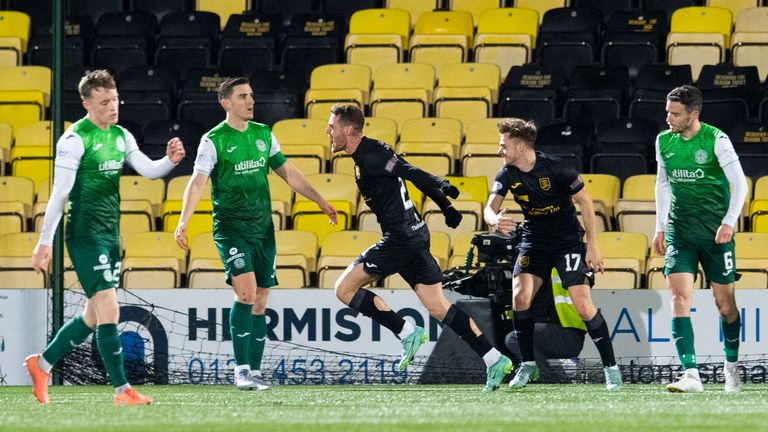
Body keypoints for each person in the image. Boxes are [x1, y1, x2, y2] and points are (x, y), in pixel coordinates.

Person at [26, 69, 186, 405]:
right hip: (85, 235)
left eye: (114, 100)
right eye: (103, 103)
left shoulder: (121, 136)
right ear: (87, 104)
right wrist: (44, 241)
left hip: (111, 236)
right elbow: (59, 194)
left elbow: (147, 169)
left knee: (93, 315)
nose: (112, 107)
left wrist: (168, 162)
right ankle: (121, 390)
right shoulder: (74, 140)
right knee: (110, 309)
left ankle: (40, 365)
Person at [327, 104, 513, 392]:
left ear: (349, 129)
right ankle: (494, 359)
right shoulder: (373, 150)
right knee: (439, 307)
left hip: (400, 239)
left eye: (332, 126)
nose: (328, 131)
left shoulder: (370, 154)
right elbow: (407, 173)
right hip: (415, 235)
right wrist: (446, 206)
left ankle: (405, 331)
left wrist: (443, 188)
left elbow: (411, 172)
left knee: (343, 289)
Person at [174, 77, 337, 391]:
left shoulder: (264, 134)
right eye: (243, 96)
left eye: (251, 95)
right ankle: (241, 370)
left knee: (261, 299)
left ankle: (256, 371)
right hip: (232, 229)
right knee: (246, 293)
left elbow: (288, 172)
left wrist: (321, 201)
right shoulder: (214, 140)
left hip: (263, 229)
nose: (251, 101)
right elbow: (197, 183)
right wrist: (184, 221)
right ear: (226, 103)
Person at [483, 118, 622, 391]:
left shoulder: (558, 168)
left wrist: (592, 245)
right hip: (534, 242)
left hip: (567, 242)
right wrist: (494, 220)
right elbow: (489, 208)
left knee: (582, 305)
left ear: (521, 146)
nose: (500, 150)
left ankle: (611, 368)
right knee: (519, 298)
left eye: (503, 145)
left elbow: (585, 202)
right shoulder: (506, 174)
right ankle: (528, 365)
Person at [653, 85, 748, 393]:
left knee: (725, 306)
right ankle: (691, 374)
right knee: (679, 298)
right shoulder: (663, 141)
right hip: (680, 233)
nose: (668, 118)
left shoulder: (716, 140)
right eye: (667, 111)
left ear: (693, 115)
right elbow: (662, 184)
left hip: (715, 236)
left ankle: (731, 366)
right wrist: (660, 227)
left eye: (674, 113)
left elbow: (740, 185)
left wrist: (728, 223)